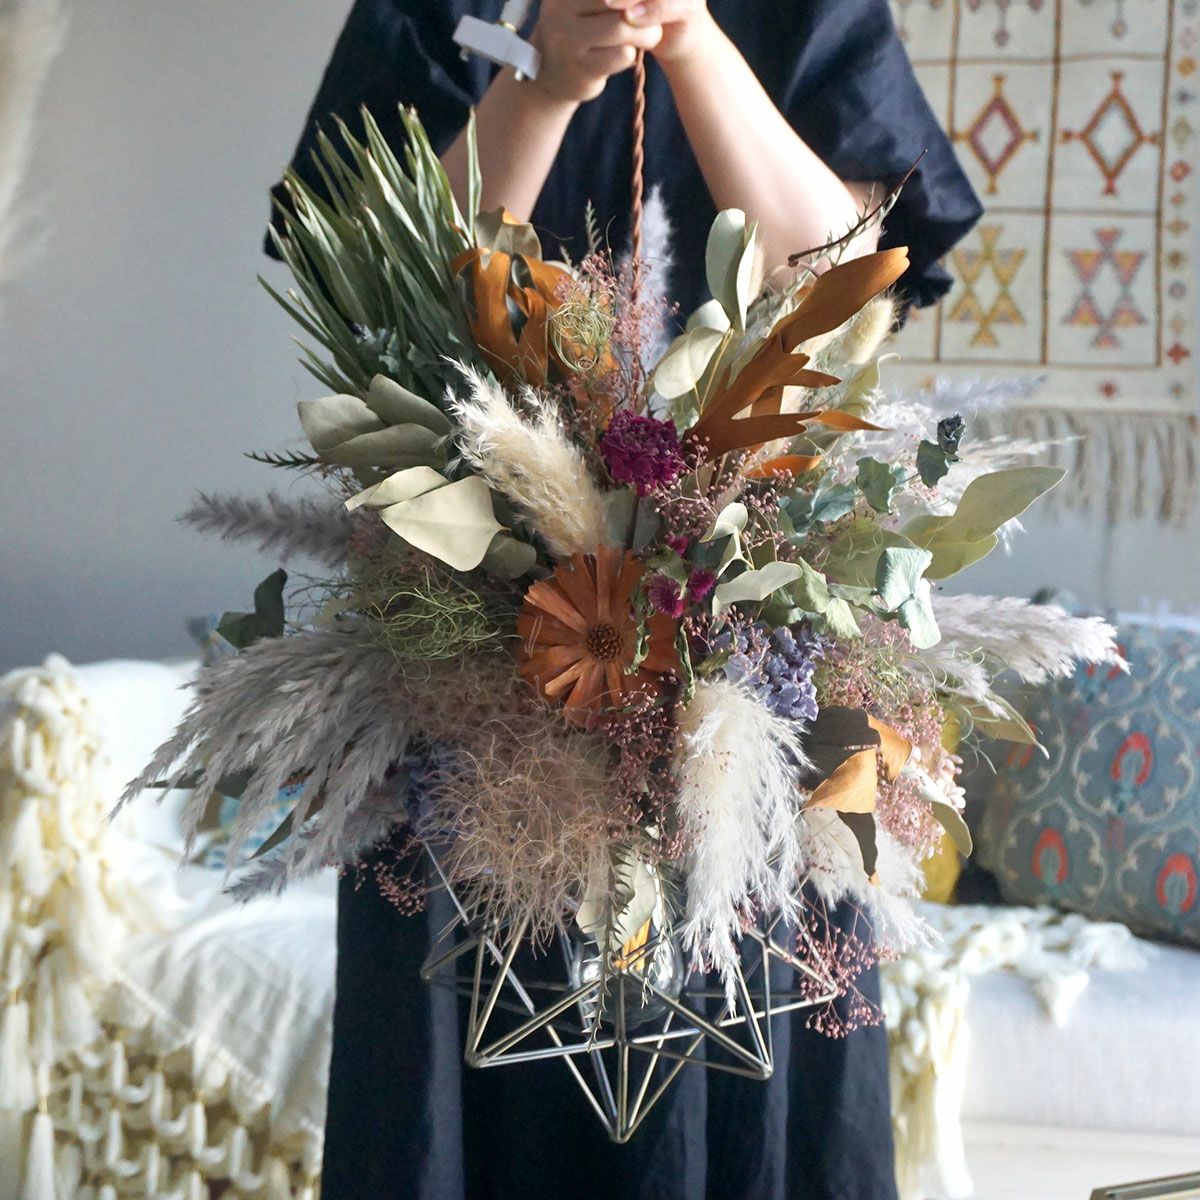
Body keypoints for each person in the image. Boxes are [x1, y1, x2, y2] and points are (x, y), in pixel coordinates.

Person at [270, 4, 981, 1198]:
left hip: (753, 673)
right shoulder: (431, 9)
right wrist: (543, 85)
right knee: (467, 1092)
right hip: (469, 658)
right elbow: (368, 286)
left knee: (749, 1081)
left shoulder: (807, 12)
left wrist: (691, 43)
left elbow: (851, 288)